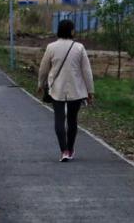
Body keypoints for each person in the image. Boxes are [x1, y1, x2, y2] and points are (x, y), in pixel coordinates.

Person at [37, 19, 94, 162]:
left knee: (59, 119)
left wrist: (40, 83)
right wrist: (90, 90)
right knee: (72, 120)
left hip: (57, 88)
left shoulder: (51, 47)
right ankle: (71, 148)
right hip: (76, 88)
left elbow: (43, 68)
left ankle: (64, 151)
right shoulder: (79, 47)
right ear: (71, 31)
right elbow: (87, 71)